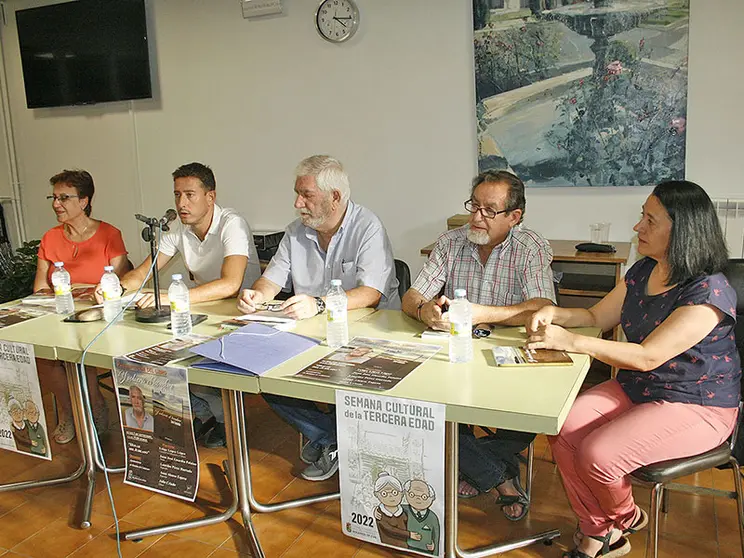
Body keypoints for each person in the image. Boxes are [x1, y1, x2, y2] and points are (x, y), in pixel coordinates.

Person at [526, 180, 741, 558]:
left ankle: (624, 517)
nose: (638, 227)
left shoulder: (709, 292)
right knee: (561, 426)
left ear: (683, 230)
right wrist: (553, 313)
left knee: (599, 454)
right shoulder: (644, 269)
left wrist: (571, 341)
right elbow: (596, 314)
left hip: (698, 403)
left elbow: (646, 356)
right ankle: (602, 532)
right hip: (642, 388)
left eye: (649, 220)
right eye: (642, 216)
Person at [401, 169, 555, 520]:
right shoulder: (450, 242)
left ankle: (476, 465)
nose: (476, 217)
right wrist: (425, 310)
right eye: (474, 206)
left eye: (489, 210)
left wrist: (483, 313)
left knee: (534, 412)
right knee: (425, 411)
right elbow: (412, 295)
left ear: (515, 217)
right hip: (453, 358)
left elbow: (542, 306)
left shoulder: (530, 247)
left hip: (509, 360)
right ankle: (500, 477)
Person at [238, 155, 400, 481]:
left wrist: (320, 304)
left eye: (306, 195)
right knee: (263, 372)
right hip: (311, 336)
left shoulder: (367, 227)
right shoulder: (296, 232)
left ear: (335, 197)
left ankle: (333, 438)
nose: (298, 203)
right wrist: (256, 295)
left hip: (369, 335)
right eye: (297, 193)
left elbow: (371, 294)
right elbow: (271, 281)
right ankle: (333, 437)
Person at [107, 162, 260, 448]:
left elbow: (231, 285)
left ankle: (227, 420)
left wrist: (170, 297)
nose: (181, 203)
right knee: (152, 356)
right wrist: (113, 287)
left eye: (190, 195)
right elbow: (145, 271)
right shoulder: (177, 228)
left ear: (210, 197)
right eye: (177, 195)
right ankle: (203, 414)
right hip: (203, 310)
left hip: (241, 312)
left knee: (198, 365)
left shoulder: (232, 223)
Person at [35, 169, 130, 444]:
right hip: (59, 313)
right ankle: (72, 409)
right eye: (53, 197)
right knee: (43, 356)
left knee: (83, 349)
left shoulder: (109, 235)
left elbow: (119, 282)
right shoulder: (50, 238)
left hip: (97, 316)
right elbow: (40, 286)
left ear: (84, 201)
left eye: (64, 198)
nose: (56, 204)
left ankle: (95, 406)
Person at [372, 472, 419, 549]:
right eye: (384, 493)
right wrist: (409, 534)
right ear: (377, 495)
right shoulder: (380, 513)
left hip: (406, 546)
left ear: (402, 493)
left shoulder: (404, 510)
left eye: (395, 492)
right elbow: (389, 529)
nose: (390, 496)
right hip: (388, 547)